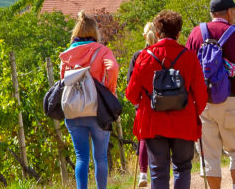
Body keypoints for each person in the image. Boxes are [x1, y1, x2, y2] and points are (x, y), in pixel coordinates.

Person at [125, 10, 208, 189]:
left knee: (157, 170)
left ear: (157, 33)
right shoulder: (190, 57)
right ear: (178, 34)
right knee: (183, 167)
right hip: (184, 121)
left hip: (153, 122)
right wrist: (195, 114)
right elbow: (201, 95)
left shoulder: (144, 57)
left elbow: (131, 95)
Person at [186, 0, 235, 189]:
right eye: (234, 11)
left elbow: (187, 70)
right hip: (233, 99)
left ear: (212, 14)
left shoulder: (195, 34)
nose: (234, 14)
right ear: (228, 12)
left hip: (204, 103)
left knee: (209, 153)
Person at [58, 11, 119, 189]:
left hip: (74, 110)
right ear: (95, 32)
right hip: (98, 109)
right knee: (100, 157)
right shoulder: (102, 50)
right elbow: (113, 68)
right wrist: (108, 89)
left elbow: (63, 79)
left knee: (81, 157)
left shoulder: (68, 53)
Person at [126, 22, 159, 187]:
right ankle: (158, 174)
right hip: (164, 103)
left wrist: (137, 102)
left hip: (144, 104)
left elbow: (130, 82)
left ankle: (143, 173)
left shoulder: (138, 55)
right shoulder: (162, 53)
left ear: (144, 36)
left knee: (144, 138)